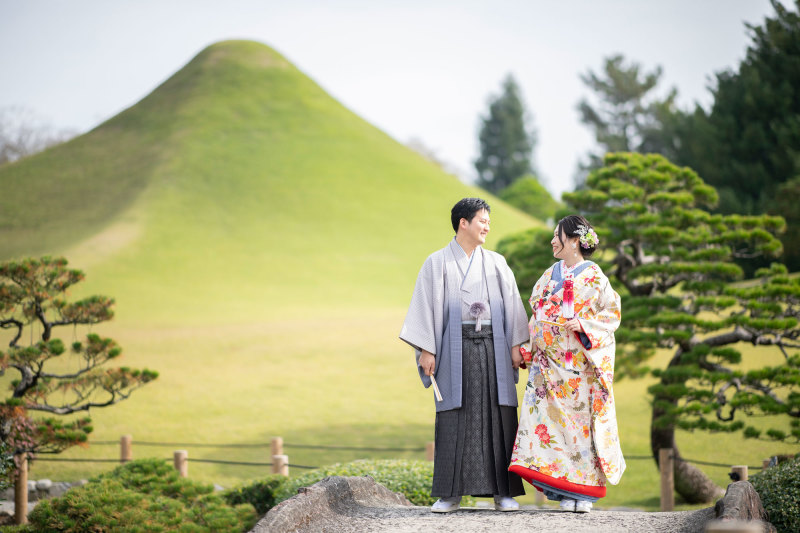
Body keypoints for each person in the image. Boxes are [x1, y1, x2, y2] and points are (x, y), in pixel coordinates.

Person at [400, 197, 529, 513]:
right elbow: (425, 307)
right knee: (453, 418)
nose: (487, 226)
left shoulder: (497, 262)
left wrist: (516, 346)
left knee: (499, 415)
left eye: (488, 221)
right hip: (453, 349)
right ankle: (449, 494)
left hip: (494, 347)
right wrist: (426, 350)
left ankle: (504, 493)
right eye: (483, 220)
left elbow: (512, 305)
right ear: (464, 223)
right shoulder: (437, 263)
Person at [508, 214, 625, 513]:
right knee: (550, 428)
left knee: (581, 431)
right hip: (548, 370)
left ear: (574, 240)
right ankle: (562, 490)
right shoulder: (549, 275)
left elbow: (611, 316)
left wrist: (584, 324)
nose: (552, 241)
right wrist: (529, 346)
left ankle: (583, 493)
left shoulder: (596, 277)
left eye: (557, 235)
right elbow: (536, 314)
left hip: (579, 370)